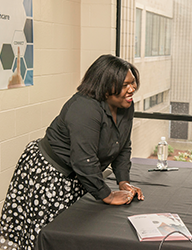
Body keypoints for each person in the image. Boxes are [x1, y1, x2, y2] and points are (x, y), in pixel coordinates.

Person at [0, 54, 144, 250]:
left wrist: (123, 182)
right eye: (126, 84)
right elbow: (84, 159)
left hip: (78, 173)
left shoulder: (125, 104)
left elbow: (122, 146)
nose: (132, 89)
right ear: (106, 86)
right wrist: (107, 195)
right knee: (48, 233)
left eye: (133, 83)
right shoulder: (84, 108)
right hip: (48, 173)